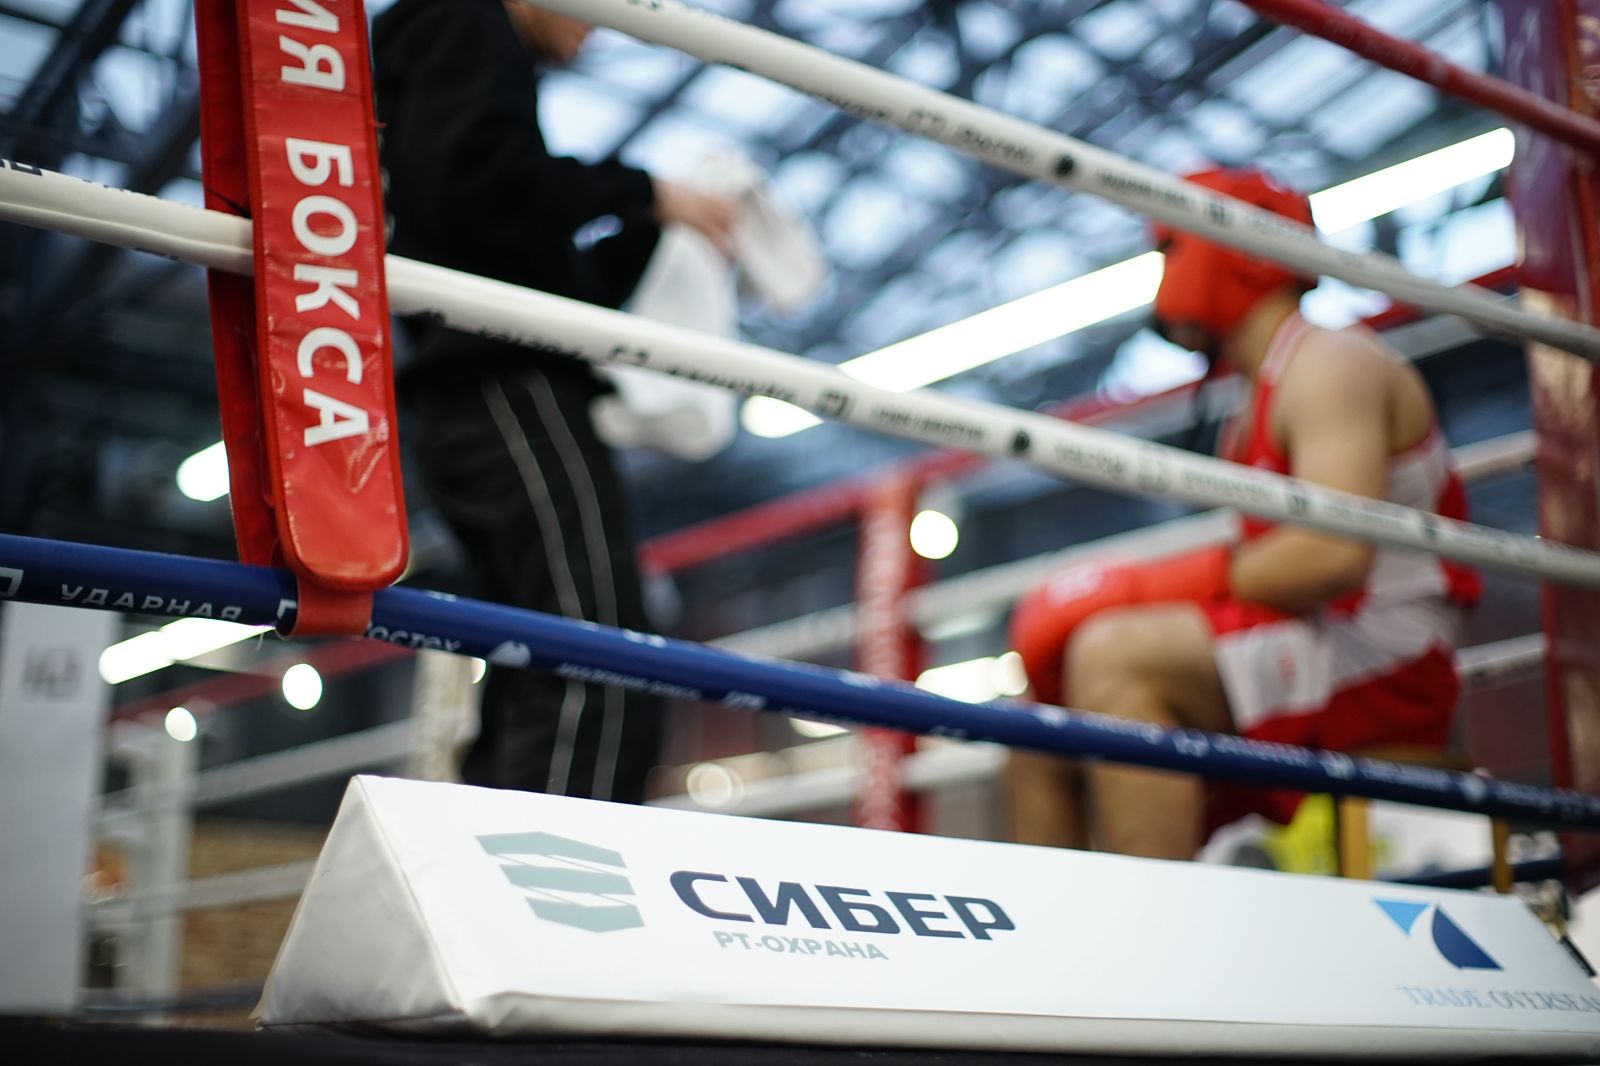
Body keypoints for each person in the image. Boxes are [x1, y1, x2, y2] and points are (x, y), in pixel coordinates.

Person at [1007, 168, 1481, 860]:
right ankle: (1058, 921)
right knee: (1036, 719)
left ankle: (1156, 915)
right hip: (1315, 636)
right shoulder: (1255, 397)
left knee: (1114, 653)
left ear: (1240, 250)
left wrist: (1142, 587)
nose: (1165, 274)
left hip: (1383, 653)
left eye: (1172, 250)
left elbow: (1330, 556)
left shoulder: (1329, 362)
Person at [371, 0, 734, 802]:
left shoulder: (440, 51)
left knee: (541, 656)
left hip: (482, 383)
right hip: (503, 381)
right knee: (599, 656)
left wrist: (650, 227)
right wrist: (644, 191)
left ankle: (495, 864)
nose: (600, 22)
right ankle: (561, 873)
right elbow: (480, 185)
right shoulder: (460, 18)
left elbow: (497, 232)